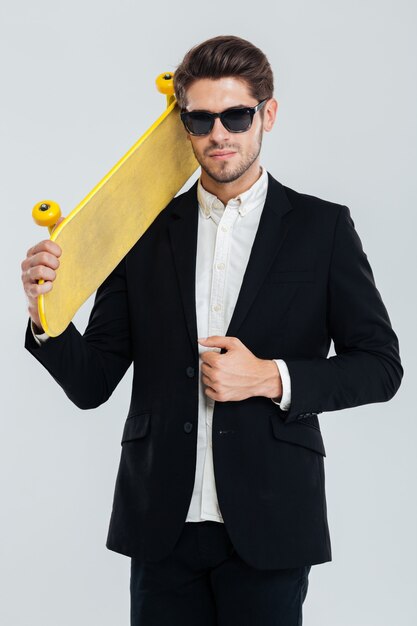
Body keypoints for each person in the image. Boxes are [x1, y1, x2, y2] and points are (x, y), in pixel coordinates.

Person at [21, 35, 403, 626]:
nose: (218, 133)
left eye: (236, 115)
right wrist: (46, 314)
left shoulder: (322, 229)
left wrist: (269, 378)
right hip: (161, 526)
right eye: (200, 119)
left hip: (272, 522)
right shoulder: (140, 233)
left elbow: (380, 365)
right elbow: (93, 380)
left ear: (267, 115)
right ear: (184, 126)